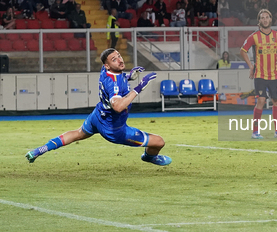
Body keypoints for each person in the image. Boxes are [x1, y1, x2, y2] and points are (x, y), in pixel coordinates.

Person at [25, 49, 171, 166]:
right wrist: (139, 87)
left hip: (98, 116)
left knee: (77, 133)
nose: (120, 60)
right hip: (114, 128)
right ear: (107, 65)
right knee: (159, 142)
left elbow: (115, 77)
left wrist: (129, 77)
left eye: (119, 56)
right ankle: (149, 157)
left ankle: (40, 150)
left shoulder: (106, 70)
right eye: (114, 59)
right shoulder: (114, 84)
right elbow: (118, 106)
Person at [240, 9, 277, 139]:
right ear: (259, 21)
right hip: (260, 75)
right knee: (261, 100)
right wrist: (251, 66)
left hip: (274, 75)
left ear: (270, 19)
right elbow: (243, 50)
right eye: (262, 17)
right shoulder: (254, 36)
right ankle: (255, 132)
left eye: (267, 17)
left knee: (276, 101)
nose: (265, 19)